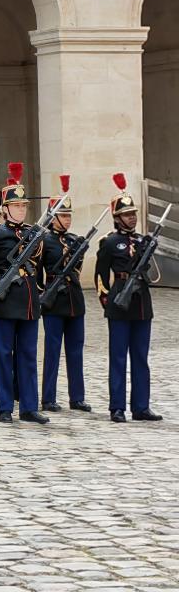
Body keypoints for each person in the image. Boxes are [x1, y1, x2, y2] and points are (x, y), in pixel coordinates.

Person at [0, 162, 47, 424]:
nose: (21, 209)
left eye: (24, 206)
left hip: (28, 301)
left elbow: (38, 271)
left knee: (28, 356)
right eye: (17, 206)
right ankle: (5, 407)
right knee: (4, 355)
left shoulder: (33, 234)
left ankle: (29, 406)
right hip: (5, 303)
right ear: (5, 209)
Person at [96, 173, 163, 423]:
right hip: (119, 302)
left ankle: (141, 406)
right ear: (117, 217)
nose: (131, 217)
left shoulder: (142, 241)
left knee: (140, 358)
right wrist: (107, 301)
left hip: (141, 304)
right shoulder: (110, 242)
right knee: (117, 357)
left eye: (133, 213)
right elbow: (101, 276)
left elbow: (150, 273)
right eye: (126, 214)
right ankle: (117, 407)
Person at [38, 174, 91, 414]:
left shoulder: (73, 240)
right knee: (52, 351)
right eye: (63, 215)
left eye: (69, 216)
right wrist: (42, 294)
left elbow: (76, 271)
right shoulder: (44, 241)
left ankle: (77, 397)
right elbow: (38, 272)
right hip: (53, 301)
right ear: (53, 217)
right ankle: (48, 397)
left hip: (74, 301)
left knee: (75, 350)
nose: (67, 220)